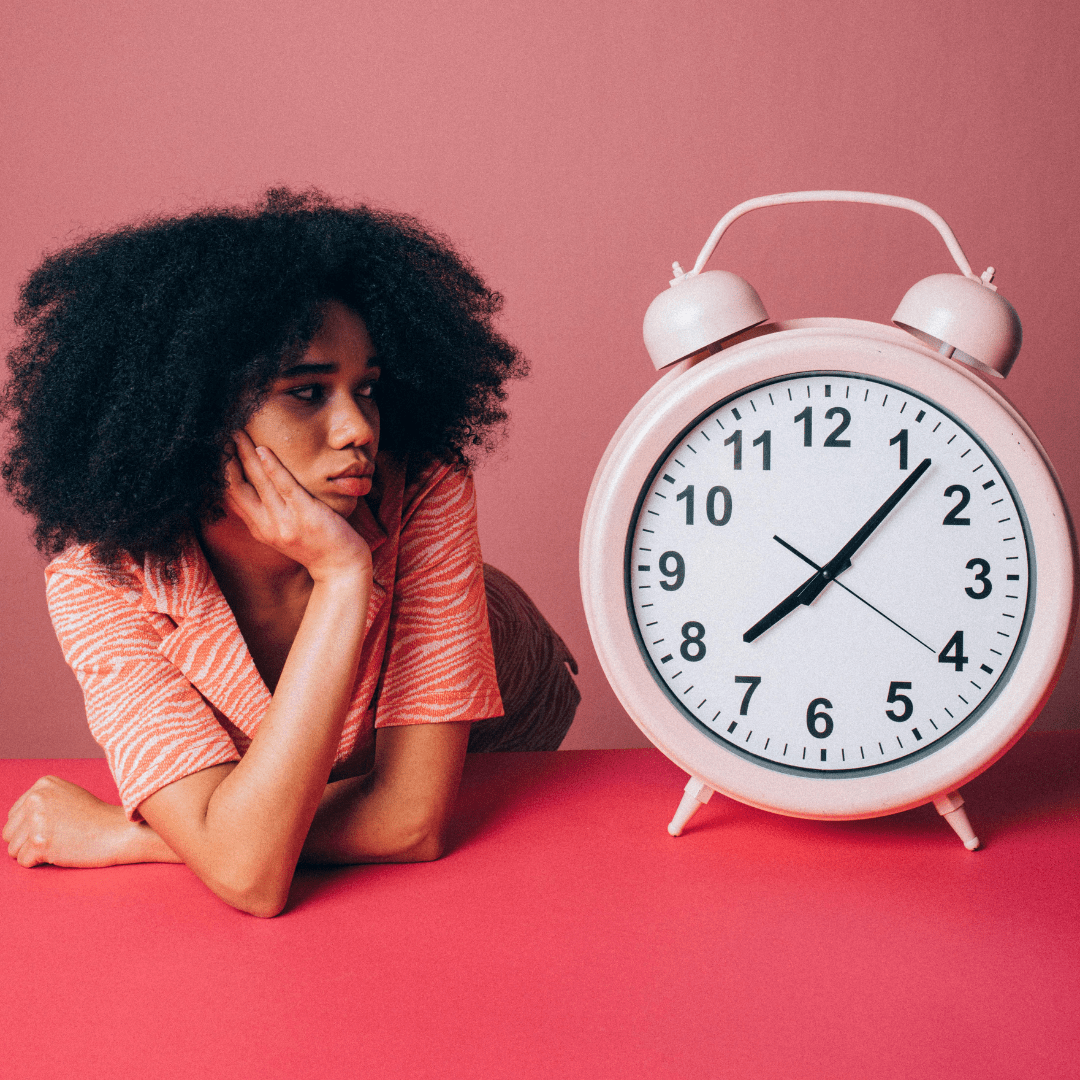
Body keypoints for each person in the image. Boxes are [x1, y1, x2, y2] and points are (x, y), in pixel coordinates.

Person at [0, 189, 579, 916]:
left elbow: (408, 821)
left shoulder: (424, 488)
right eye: (307, 392)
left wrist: (133, 835)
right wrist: (223, 838)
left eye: (366, 387)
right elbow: (250, 876)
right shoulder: (101, 583)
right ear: (189, 415)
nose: (359, 429)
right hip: (294, 783)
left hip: (499, 736)